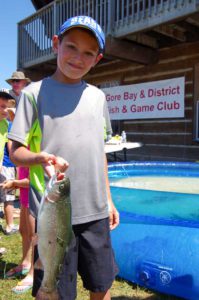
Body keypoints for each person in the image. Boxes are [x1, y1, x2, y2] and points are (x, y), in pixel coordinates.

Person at [8, 15, 120, 300]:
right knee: (52, 289)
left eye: (88, 53)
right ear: (56, 44)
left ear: (97, 59)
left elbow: (100, 153)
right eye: (71, 46)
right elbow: (15, 152)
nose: (78, 57)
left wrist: (108, 199)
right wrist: (39, 158)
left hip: (94, 213)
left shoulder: (98, 98)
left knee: (101, 284)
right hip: (53, 215)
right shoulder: (33, 94)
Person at [2, 166, 35, 294]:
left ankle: (34, 273)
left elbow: (34, 180)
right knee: (23, 230)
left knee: (34, 236)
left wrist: (15, 183)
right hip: (25, 194)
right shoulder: (24, 149)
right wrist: (16, 183)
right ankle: (25, 263)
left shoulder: (35, 149)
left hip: (34, 196)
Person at [0, 91, 18, 235]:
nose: (5, 110)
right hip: (6, 166)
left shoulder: (6, 124)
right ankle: (9, 225)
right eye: (1, 106)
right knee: (8, 197)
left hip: (3, 166)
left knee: (5, 197)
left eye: (6, 107)